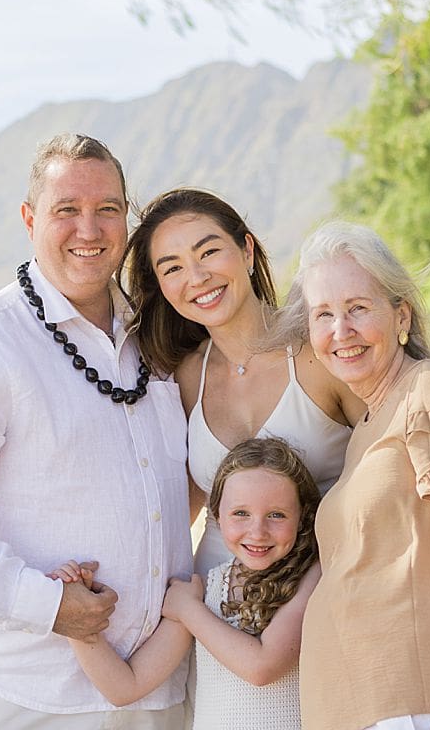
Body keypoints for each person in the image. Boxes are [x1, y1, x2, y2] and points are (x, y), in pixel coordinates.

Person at [0, 133, 193, 729]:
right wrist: (50, 606)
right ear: (31, 219)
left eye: (107, 209)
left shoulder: (161, 337)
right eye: (67, 210)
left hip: (157, 684)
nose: (89, 229)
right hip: (27, 690)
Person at [281, 222, 430, 730]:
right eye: (323, 314)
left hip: (420, 709)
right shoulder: (370, 420)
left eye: (358, 308)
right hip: (363, 707)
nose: (340, 331)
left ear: (402, 316)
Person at [123, 188, 362, 574]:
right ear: (162, 288)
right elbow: (174, 511)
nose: (197, 277)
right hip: (214, 607)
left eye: (209, 252)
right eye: (172, 268)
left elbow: (393, 469)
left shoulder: (317, 352)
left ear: (247, 251)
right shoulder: (184, 377)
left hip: (325, 594)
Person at [47, 437, 322, 730]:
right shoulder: (206, 590)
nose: (258, 531)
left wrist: (190, 612)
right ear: (216, 515)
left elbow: (261, 668)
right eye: (241, 513)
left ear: (302, 518)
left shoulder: (310, 577)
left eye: (276, 515)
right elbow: (125, 687)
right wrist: (78, 621)